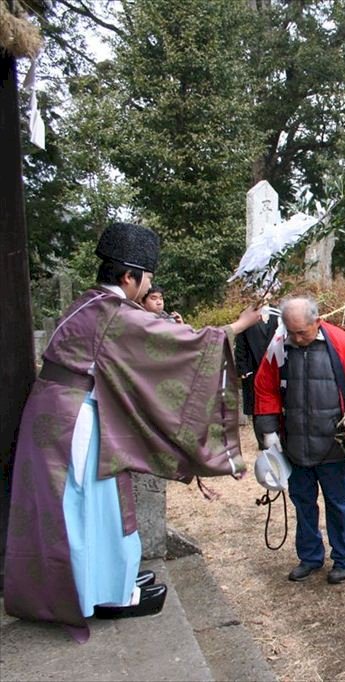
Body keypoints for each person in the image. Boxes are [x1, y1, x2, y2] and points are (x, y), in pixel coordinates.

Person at [4, 222, 259, 641]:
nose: (148, 288)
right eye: (147, 279)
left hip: (64, 412)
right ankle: (97, 594)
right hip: (76, 422)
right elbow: (184, 344)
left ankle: (109, 585)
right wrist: (238, 325)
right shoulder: (112, 314)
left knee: (92, 508)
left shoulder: (88, 304)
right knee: (89, 509)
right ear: (128, 276)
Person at [254, 296, 345, 584]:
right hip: (294, 443)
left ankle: (343, 557)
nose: (297, 338)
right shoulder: (279, 346)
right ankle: (309, 556)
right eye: (291, 332)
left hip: (332, 443)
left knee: (338, 502)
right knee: (302, 502)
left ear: (317, 322)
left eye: (302, 332)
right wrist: (269, 433)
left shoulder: (340, 342)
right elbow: (265, 389)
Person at [235, 303, 281, 438]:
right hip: (253, 368)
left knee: (277, 401)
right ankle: (261, 439)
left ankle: (279, 436)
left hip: (275, 367)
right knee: (257, 405)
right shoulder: (247, 315)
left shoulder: (278, 314)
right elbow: (240, 345)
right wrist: (243, 370)